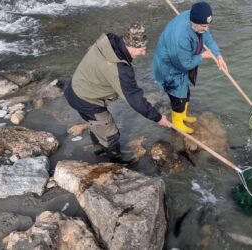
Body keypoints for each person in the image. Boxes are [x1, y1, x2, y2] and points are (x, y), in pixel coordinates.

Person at [64, 23, 171, 164]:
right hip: (86, 99)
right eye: (142, 49)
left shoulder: (109, 42)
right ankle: (115, 160)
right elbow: (135, 100)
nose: (144, 53)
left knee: (96, 123)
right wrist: (158, 118)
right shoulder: (120, 70)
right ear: (130, 46)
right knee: (111, 133)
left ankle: (99, 150)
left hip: (74, 87)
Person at [153, 1, 228, 134]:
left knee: (185, 94)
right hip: (169, 69)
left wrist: (218, 56)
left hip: (181, 63)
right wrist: (202, 56)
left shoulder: (196, 19)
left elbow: (207, 37)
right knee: (178, 99)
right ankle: (177, 124)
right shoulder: (180, 38)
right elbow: (184, 64)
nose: (206, 28)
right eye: (204, 26)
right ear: (194, 23)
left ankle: (183, 116)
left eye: (208, 25)